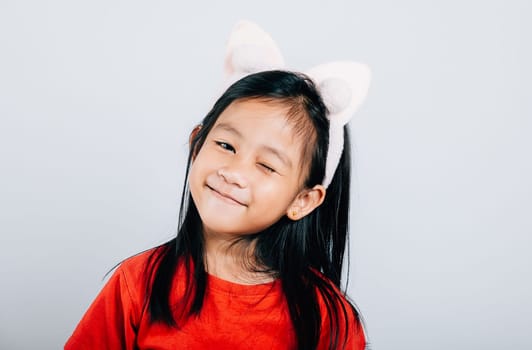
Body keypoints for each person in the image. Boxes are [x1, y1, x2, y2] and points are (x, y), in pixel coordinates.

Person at [65, 21, 370, 350]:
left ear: (304, 200)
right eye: (226, 146)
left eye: (266, 165)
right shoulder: (138, 282)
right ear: (197, 144)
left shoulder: (327, 318)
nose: (234, 172)